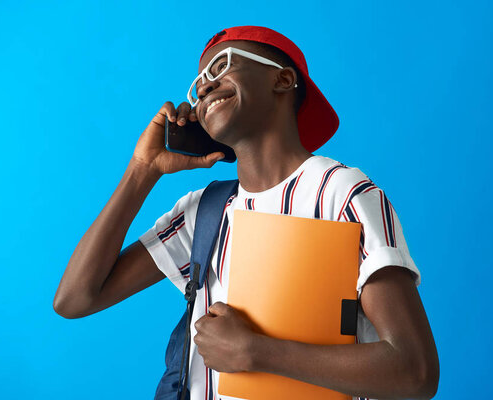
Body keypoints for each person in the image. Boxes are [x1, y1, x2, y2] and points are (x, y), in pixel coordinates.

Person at [53, 25, 439, 399]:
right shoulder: (204, 212)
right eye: (199, 81)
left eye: (223, 66)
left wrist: (256, 352)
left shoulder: (340, 192)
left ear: (283, 80)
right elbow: (75, 299)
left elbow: (414, 371)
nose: (203, 87)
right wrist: (143, 169)